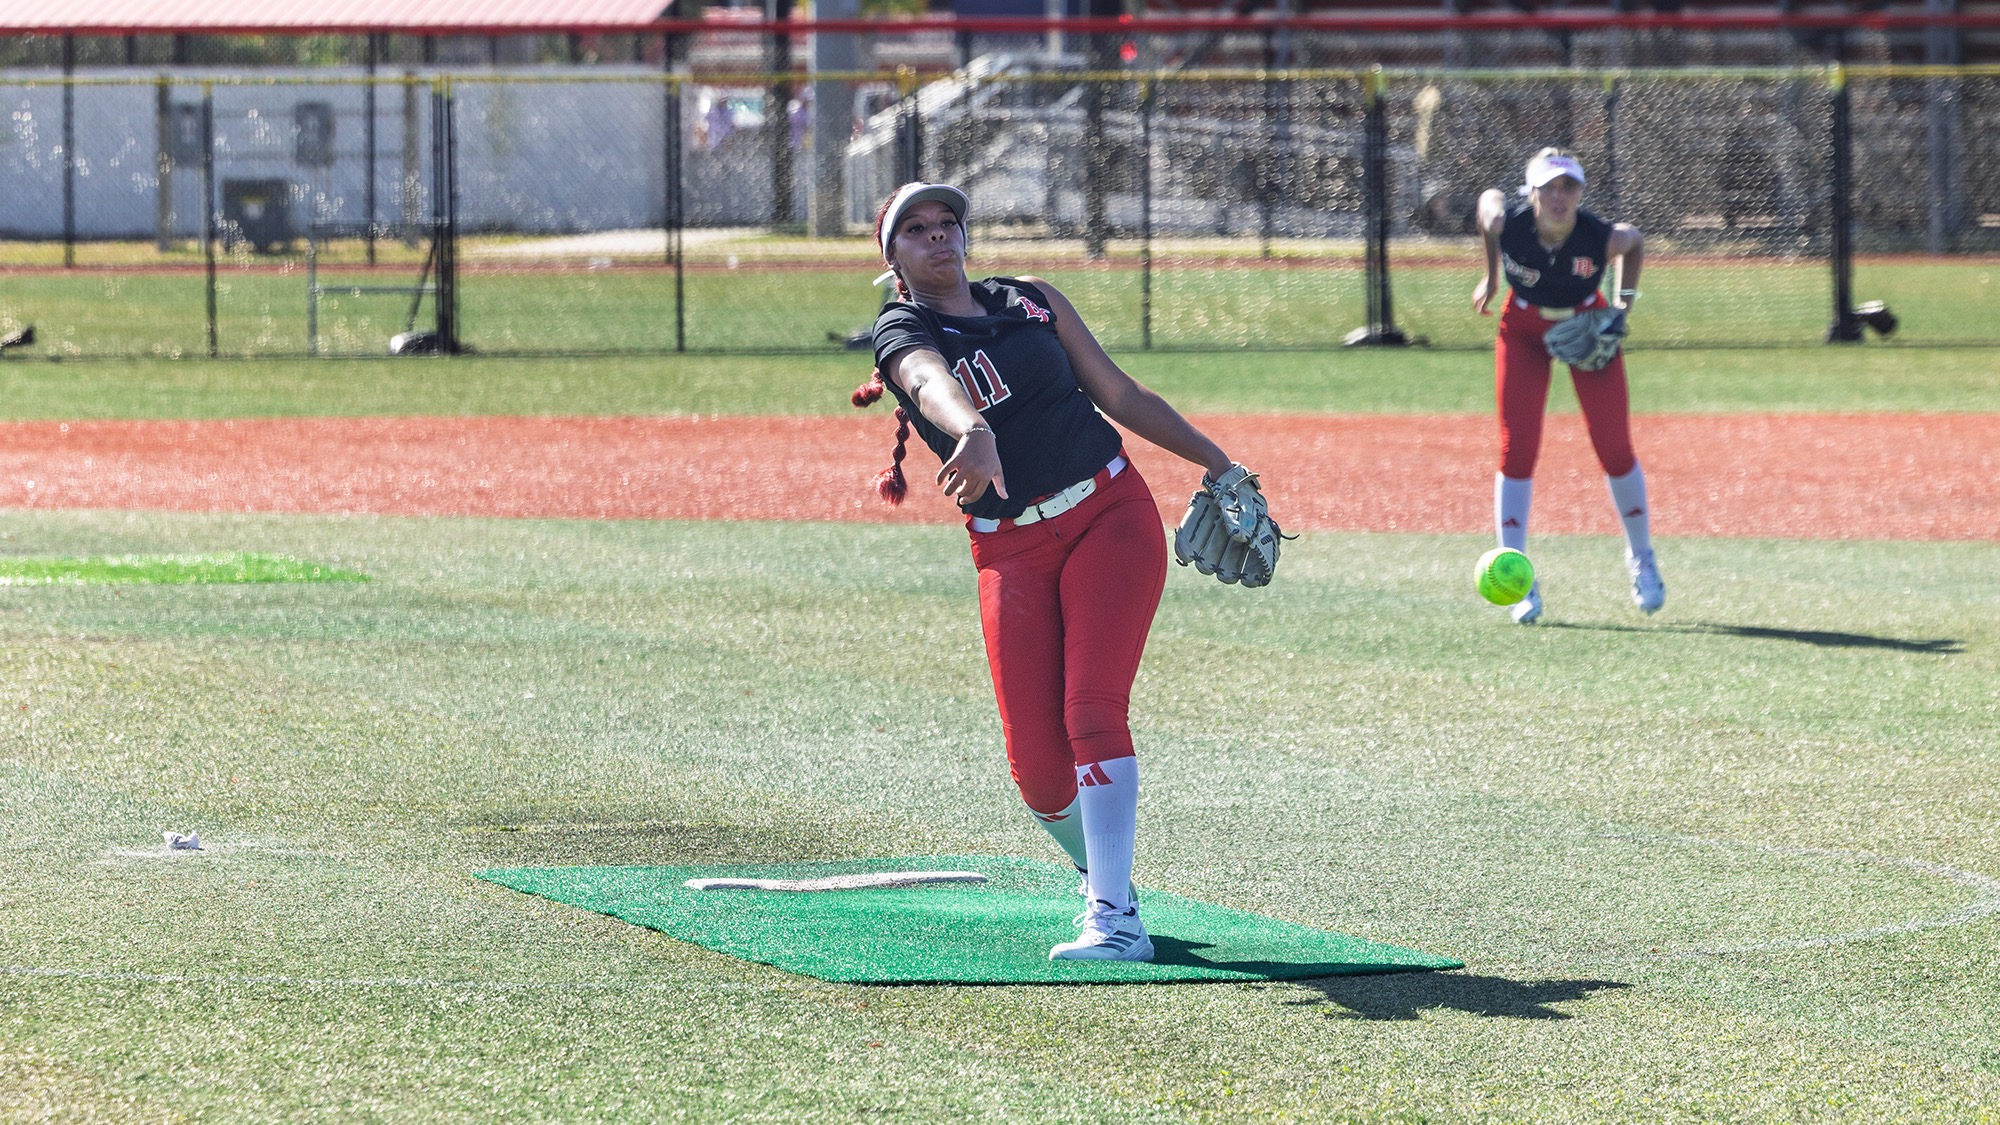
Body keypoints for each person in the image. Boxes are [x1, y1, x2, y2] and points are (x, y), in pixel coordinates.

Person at [852, 182, 1251, 962]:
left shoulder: (1032, 301)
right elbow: (928, 380)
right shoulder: (903, 325)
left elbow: (1118, 391)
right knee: (1038, 771)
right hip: (1009, 546)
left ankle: (1113, 917)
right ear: (894, 258)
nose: (939, 237)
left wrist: (1218, 462)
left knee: (1091, 707)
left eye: (948, 224)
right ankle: (1105, 875)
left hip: (1109, 512)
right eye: (917, 230)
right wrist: (973, 429)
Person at [1472, 147, 1664, 625]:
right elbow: (1487, 204)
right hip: (1522, 330)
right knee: (1516, 449)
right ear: (1532, 192)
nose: (1559, 196)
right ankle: (1516, 573)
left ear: (1580, 192)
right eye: (1549, 187)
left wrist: (1623, 307)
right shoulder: (1509, 224)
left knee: (1614, 446)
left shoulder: (1598, 235)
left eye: (1569, 187)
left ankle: (1641, 556)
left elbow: (1634, 241)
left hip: (1586, 326)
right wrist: (1491, 276)